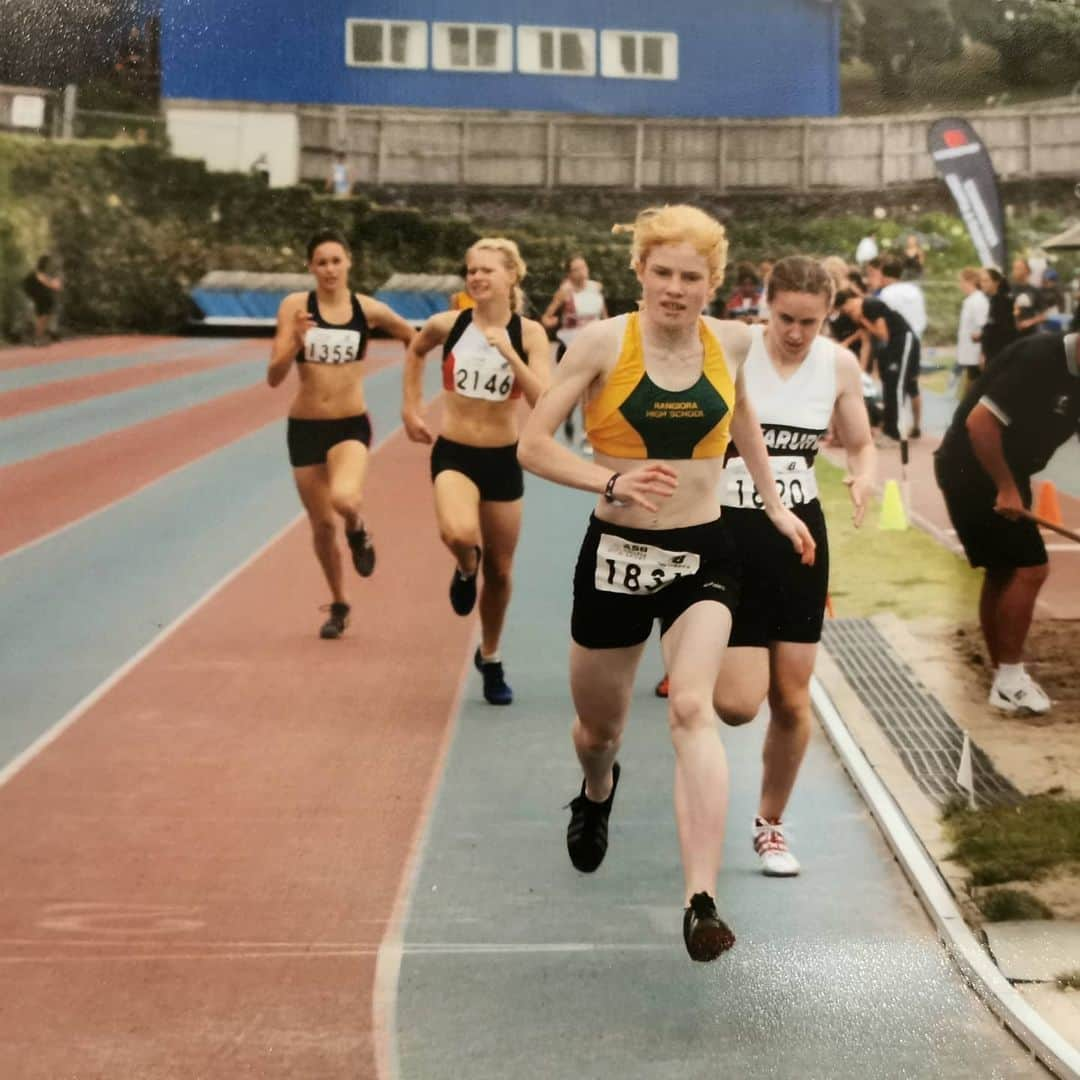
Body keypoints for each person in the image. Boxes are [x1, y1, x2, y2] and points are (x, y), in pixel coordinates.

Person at [517, 205, 815, 962]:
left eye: (691, 277)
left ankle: (701, 902)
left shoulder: (734, 340)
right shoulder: (599, 342)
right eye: (663, 273)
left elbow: (740, 413)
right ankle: (595, 792)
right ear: (640, 273)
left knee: (692, 707)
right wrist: (607, 478)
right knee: (600, 732)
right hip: (617, 553)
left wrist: (776, 507)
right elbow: (531, 445)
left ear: (714, 283)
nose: (675, 289)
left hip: (704, 553)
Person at [655, 257, 875, 877]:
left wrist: (862, 474)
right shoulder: (732, 348)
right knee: (737, 705)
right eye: (786, 318)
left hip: (798, 535)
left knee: (792, 696)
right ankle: (680, 638)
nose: (797, 332)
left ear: (828, 314)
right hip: (726, 533)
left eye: (810, 321)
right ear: (765, 308)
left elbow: (859, 441)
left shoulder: (838, 364)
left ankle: (770, 826)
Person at [402, 238, 551, 705]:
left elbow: (543, 400)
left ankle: (490, 655)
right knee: (459, 531)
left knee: (503, 573)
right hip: (455, 453)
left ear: (511, 277)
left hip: (503, 460)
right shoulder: (448, 324)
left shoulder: (530, 335)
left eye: (487, 270)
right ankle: (467, 567)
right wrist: (410, 407)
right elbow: (415, 350)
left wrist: (509, 352)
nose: (477, 278)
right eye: (471, 270)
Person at [267, 228, 416, 639]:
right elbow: (274, 377)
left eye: (336, 260)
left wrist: (411, 399)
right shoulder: (295, 307)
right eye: (321, 262)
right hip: (305, 428)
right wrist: (294, 342)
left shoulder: (366, 309)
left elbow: (413, 338)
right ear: (311, 268)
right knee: (321, 526)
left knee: (344, 499)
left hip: (350, 424)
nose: (330, 269)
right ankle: (339, 603)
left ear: (349, 262)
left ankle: (358, 527)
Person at [934, 331, 1079, 715]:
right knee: (1031, 568)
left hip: (1007, 469)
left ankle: (1004, 673)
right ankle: (1010, 679)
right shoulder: (1039, 358)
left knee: (1003, 570)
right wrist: (1005, 488)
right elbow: (980, 423)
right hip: (973, 467)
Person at [835, 288, 918, 445]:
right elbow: (866, 337)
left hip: (902, 341)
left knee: (897, 387)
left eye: (848, 309)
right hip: (891, 348)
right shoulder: (862, 314)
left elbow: (883, 334)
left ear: (852, 301)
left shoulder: (870, 305)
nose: (849, 313)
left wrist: (864, 320)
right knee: (889, 386)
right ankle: (889, 430)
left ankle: (897, 433)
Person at [541, 254, 608, 446]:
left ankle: (588, 433)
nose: (582, 272)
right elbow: (547, 316)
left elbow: (604, 315)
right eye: (576, 269)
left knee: (592, 391)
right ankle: (569, 417)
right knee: (572, 392)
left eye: (584, 267)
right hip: (570, 345)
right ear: (570, 273)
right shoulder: (564, 292)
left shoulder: (596, 287)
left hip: (594, 345)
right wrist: (550, 321)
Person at [868, 255, 926, 438]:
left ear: (884, 275)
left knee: (895, 384)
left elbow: (883, 322)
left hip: (898, 341)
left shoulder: (887, 293)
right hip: (915, 339)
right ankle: (915, 425)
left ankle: (894, 428)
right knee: (912, 384)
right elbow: (922, 317)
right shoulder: (914, 291)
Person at [956, 267, 990, 393]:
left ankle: (968, 409)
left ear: (969, 281)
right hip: (969, 351)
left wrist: (983, 353)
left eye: (961, 281)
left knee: (974, 385)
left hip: (975, 352)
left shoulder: (978, 301)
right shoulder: (970, 300)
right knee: (971, 380)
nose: (960, 285)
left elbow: (983, 326)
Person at [976, 267, 1017, 366]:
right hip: (995, 352)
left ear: (996, 282)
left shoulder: (1003, 301)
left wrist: (982, 337)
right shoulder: (992, 300)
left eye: (986, 281)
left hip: (1000, 353)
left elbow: (999, 328)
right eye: (981, 281)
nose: (982, 284)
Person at [21, 256, 62, 345]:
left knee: (43, 319)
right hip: (40, 300)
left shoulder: (40, 274)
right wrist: (55, 283)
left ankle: (39, 338)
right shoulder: (39, 274)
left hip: (41, 300)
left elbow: (54, 286)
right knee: (41, 320)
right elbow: (52, 286)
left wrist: (55, 283)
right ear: (45, 264)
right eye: (49, 263)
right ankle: (37, 339)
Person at [1011, 257, 1047, 338]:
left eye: (1018, 268)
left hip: (1030, 335)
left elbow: (1043, 316)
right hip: (1011, 335)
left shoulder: (1035, 291)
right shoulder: (1008, 289)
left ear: (1027, 270)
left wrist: (1030, 322)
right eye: (1014, 268)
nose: (1015, 271)